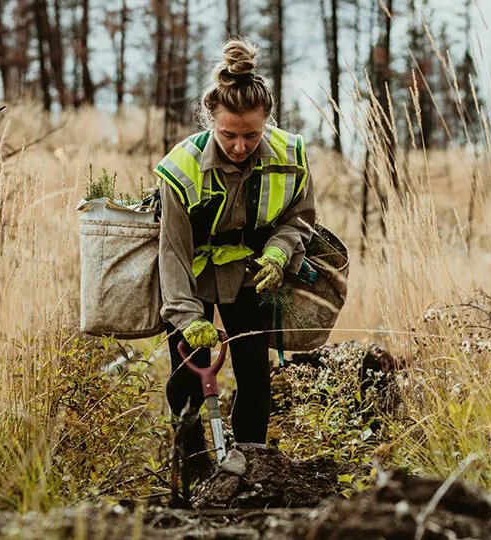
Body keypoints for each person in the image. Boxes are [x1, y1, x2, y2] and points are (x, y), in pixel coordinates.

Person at [153, 38, 316, 493]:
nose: (240, 146)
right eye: (228, 135)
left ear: (267, 122)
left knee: (254, 375)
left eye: (251, 135)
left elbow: (300, 218)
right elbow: (173, 252)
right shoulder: (181, 169)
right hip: (191, 279)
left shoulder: (290, 156)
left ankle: (252, 470)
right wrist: (187, 318)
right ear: (211, 121)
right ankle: (192, 473)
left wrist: (280, 252)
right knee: (185, 381)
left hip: (250, 275)